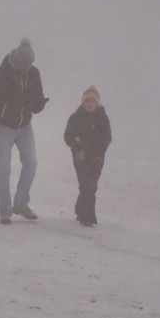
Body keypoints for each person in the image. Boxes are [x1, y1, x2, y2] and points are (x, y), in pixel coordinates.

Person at [0, 37, 48, 224]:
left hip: (25, 126)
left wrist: (39, 104)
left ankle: (21, 204)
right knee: (4, 169)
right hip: (3, 126)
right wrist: (30, 100)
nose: (27, 67)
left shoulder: (34, 73)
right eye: (24, 63)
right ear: (17, 60)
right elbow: (12, 97)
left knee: (31, 163)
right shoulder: (3, 72)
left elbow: (34, 99)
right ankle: (5, 210)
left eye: (30, 64)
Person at [64, 85, 112, 227]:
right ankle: (88, 216)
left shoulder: (102, 118)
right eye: (87, 101)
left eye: (93, 101)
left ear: (97, 103)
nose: (90, 104)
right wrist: (75, 144)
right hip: (80, 156)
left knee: (91, 185)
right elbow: (67, 135)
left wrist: (99, 154)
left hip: (97, 157)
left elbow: (106, 138)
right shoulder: (75, 117)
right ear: (83, 102)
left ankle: (80, 210)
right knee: (86, 184)